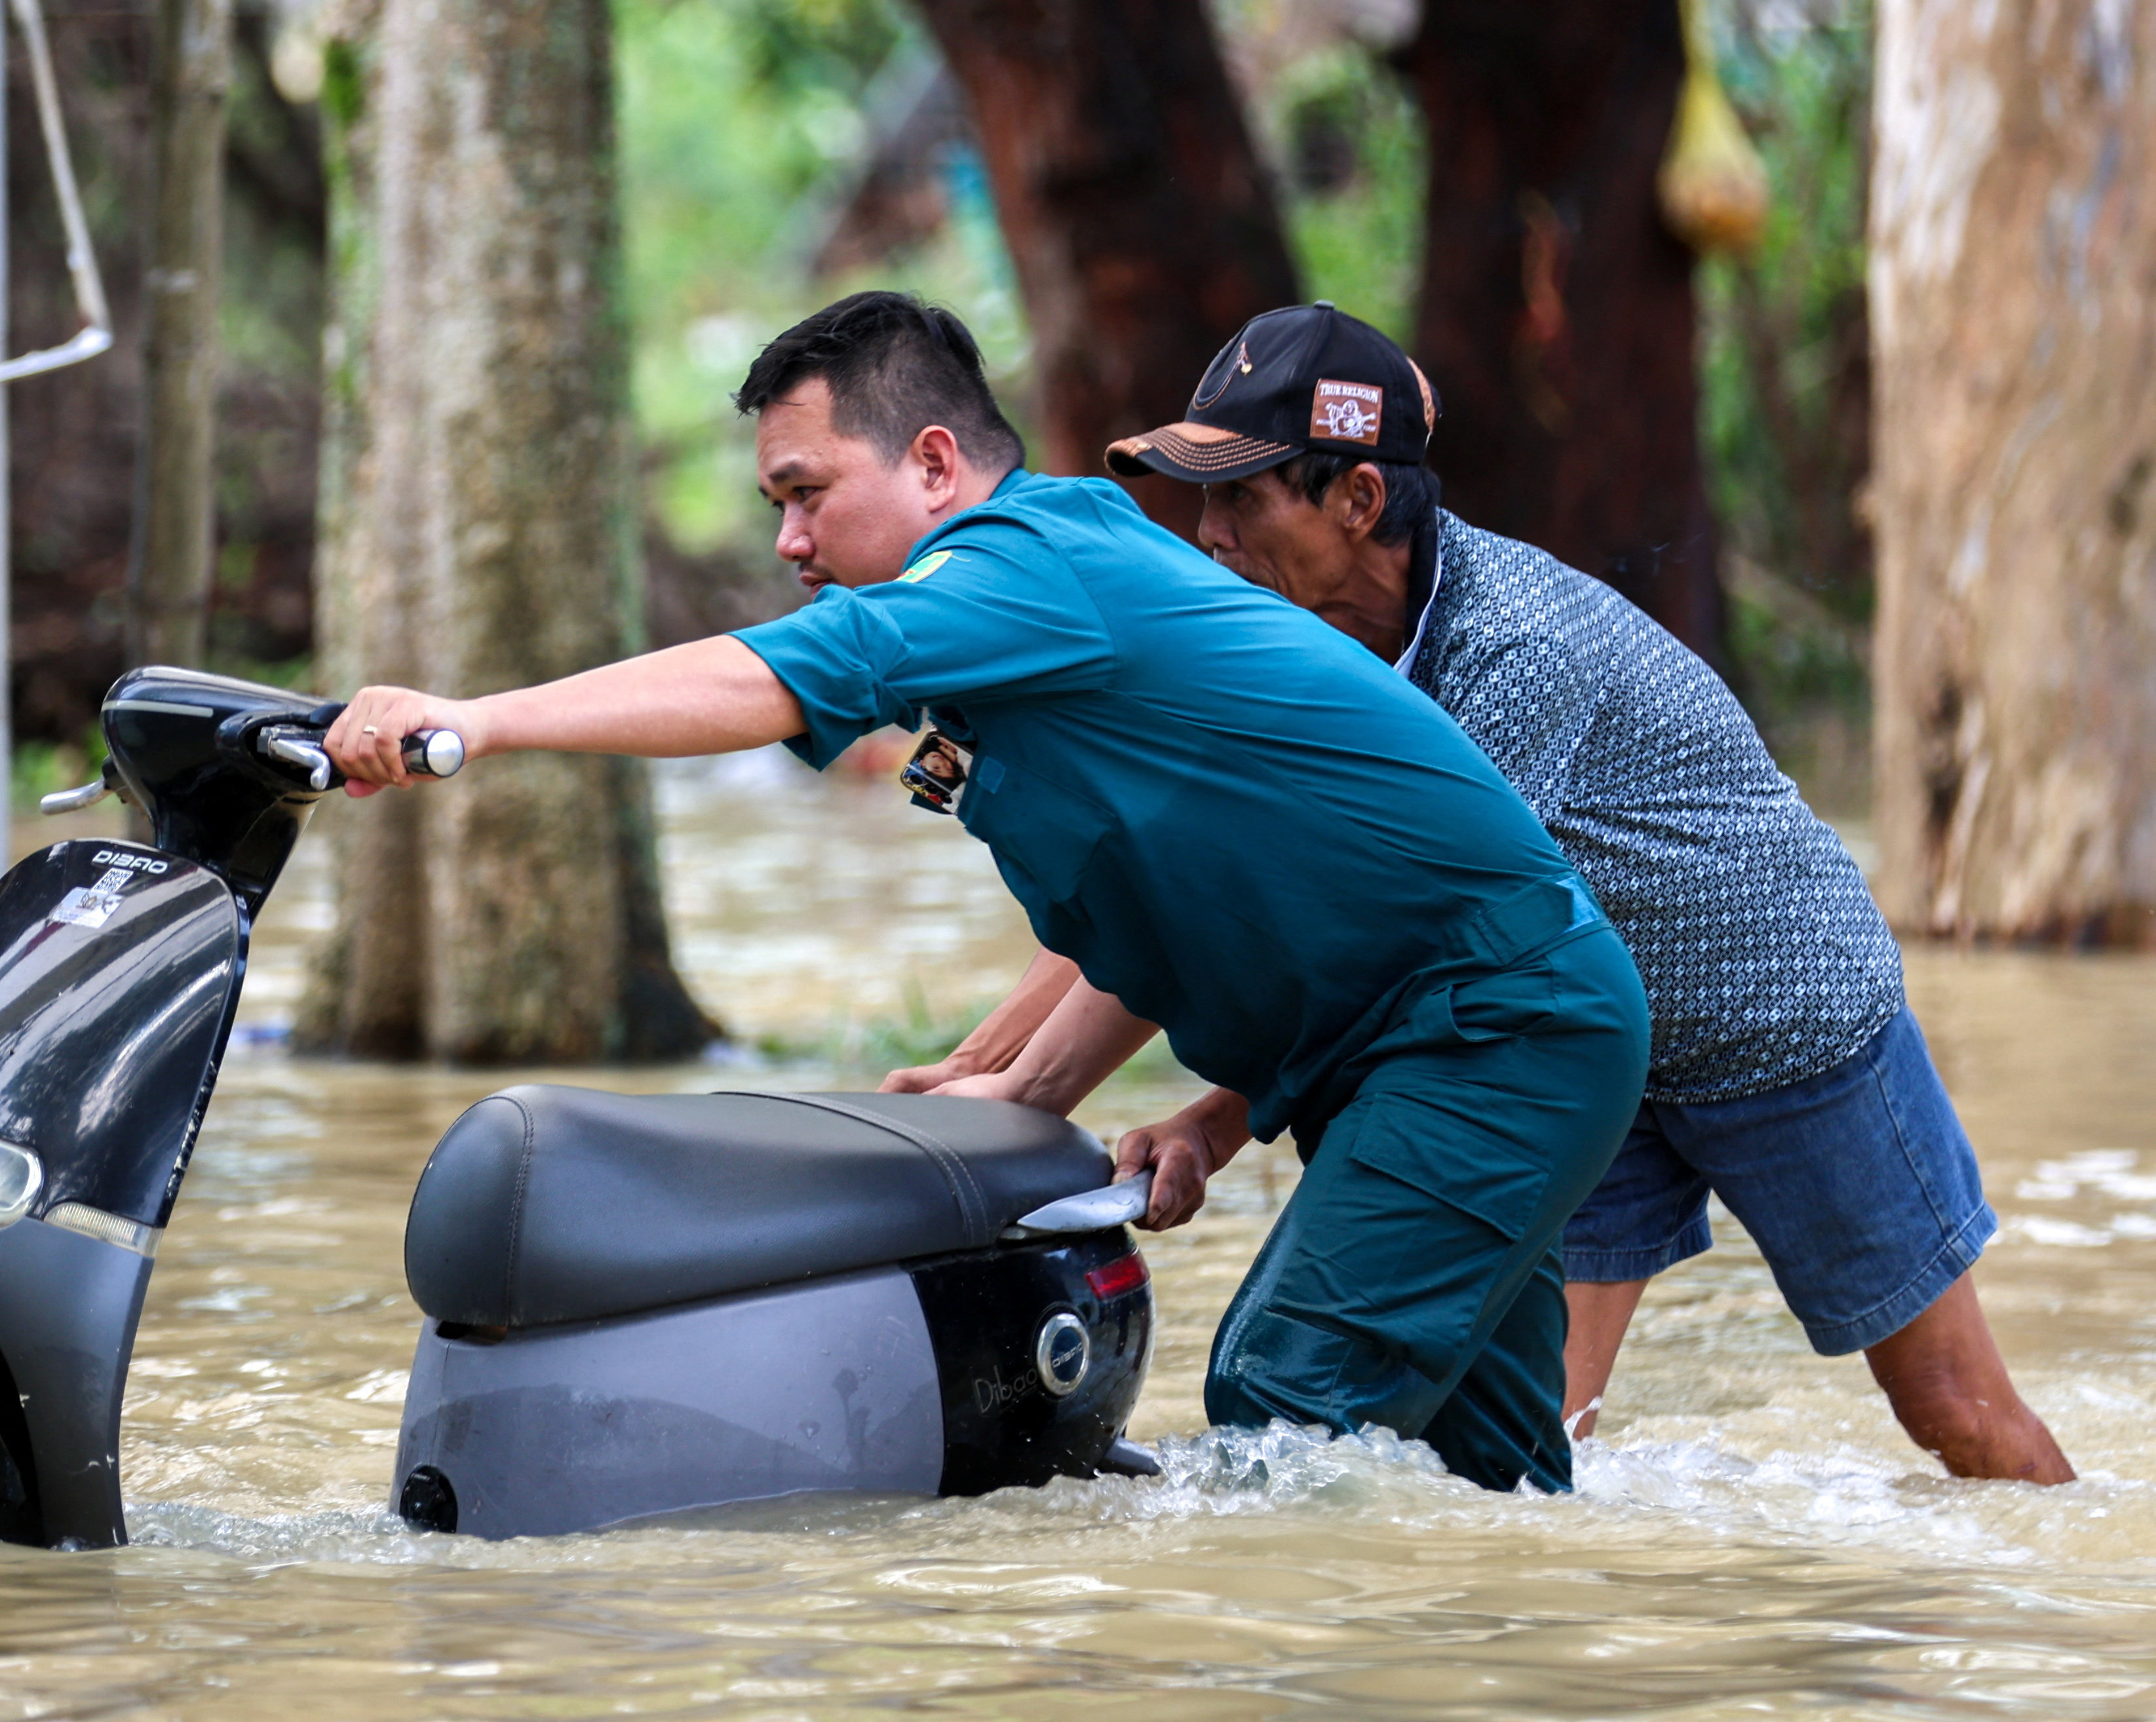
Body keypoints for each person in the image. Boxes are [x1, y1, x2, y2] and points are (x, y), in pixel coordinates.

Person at [324, 290, 1649, 1495]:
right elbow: (1152, 919)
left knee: (1280, 1399)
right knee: (1491, 1485)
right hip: (1443, 1038)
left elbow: (774, 675)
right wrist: (1010, 1096)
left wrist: (480, 721)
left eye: (806, 491)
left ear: (937, 466)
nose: (789, 538)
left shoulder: (1025, 565)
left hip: (1494, 1029)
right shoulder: (1029, 634)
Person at [906, 300, 2070, 1484]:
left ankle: (2083, 1609)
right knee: (1525, 1450)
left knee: (1955, 1413)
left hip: (1781, 1019)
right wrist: (981, 1079)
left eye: (1243, 499)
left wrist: (1209, 1121)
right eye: (1202, 500)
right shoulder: (1302, 653)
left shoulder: (1515, 651)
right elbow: (1178, 877)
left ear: (1359, 502)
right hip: (1576, 1047)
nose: (1208, 538)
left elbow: (1356, 921)